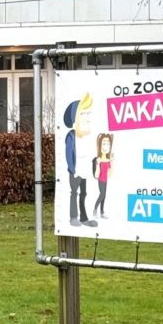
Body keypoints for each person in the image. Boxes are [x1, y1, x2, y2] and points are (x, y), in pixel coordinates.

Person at [63, 94, 98, 228]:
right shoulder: (71, 136)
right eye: (84, 114)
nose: (88, 117)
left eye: (88, 113)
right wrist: (72, 169)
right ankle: (73, 217)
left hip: (85, 169)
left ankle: (84, 217)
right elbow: (68, 154)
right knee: (74, 192)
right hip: (76, 170)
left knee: (84, 193)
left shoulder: (88, 136)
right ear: (75, 118)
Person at [93, 133, 114, 220]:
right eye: (104, 143)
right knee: (102, 195)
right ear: (100, 145)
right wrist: (98, 164)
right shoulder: (98, 160)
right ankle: (95, 210)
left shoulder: (108, 160)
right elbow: (96, 175)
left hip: (105, 180)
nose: (106, 146)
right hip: (101, 179)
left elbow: (110, 174)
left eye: (108, 144)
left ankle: (102, 213)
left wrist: (112, 162)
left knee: (104, 196)